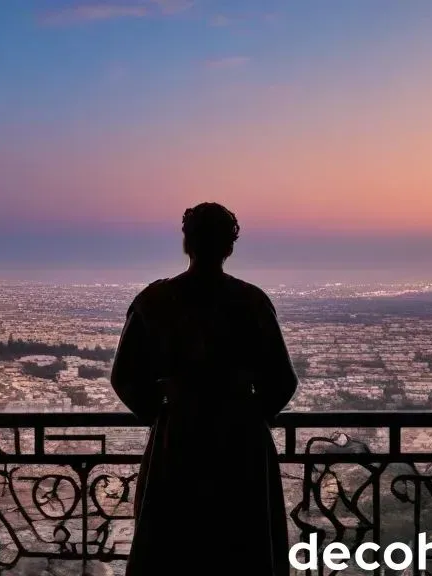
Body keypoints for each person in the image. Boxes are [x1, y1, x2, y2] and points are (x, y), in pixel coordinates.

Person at [110, 202, 298, 575]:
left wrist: (163, 412)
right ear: (229, 247)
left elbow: (124, 377)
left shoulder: (155, 301)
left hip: (177, 438)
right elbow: (283, 381)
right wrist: (246, 413)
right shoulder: (251, 301)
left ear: (186, 243)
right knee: (242, 545)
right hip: (240, 444)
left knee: (170, 545)